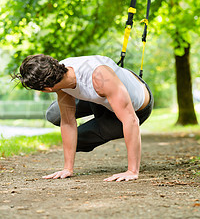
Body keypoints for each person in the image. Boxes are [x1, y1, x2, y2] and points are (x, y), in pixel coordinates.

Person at [13, 54, 153, 182]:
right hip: (100, 98)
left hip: (137, 107)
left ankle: (103, 121)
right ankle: (99, 109)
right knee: (56, 117)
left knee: (78, 140)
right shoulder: (59, 76)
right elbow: (67, 122)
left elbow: (131, 120)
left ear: (47, 89)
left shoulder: (100, 78)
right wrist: (68, 169)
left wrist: (132, 171)